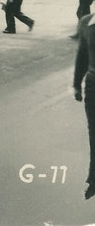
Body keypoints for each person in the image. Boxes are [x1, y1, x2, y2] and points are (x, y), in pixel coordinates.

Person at [73, 11, 95, 200]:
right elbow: (82, 55)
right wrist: (76, 85)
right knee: (94, 132)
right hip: (93, 84)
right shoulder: (86, 22)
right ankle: (94, 178)